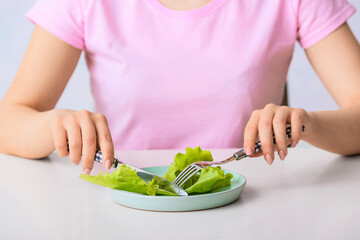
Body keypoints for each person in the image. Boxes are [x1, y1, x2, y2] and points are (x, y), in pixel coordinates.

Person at [0, 0, 360, 175]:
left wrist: (307, 123)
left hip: (257, 207)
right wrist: (54, 125)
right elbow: (8, 120)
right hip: (125, 211)